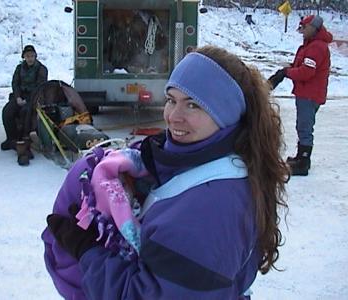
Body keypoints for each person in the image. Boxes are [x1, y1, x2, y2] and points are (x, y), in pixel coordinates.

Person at [42, 45, 289, 300]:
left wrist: (87, 251)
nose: (173, 117)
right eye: (171, 100)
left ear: (225, 114)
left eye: (193, 105)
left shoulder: (209, 208)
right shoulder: (220, 159)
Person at [268, 15, 333, 176]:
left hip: (310, 93)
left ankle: (303, 162)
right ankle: (300, 157)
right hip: (307, 92)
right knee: (302, 126)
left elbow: (307, 72)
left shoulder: (317, 47)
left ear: (313, 28)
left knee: (304, 127)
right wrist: (288, 69)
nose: (302, 32)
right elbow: (303, 66)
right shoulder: (311, 45)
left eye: (304, 29)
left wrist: (285, 73)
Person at [1, 44, 48, 166]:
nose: (30, 58)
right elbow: (15, 83)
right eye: (27, 56)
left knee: (25, 112)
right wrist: (17, 97)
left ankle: (24, 140)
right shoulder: (19, 68)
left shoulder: (42, 69)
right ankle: (11, 138)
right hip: (20, 96)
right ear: (24, 57)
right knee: (7, 111)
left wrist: (28, 100)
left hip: (33, 98)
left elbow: (40, 87)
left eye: (32, 56)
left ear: (35, 56)